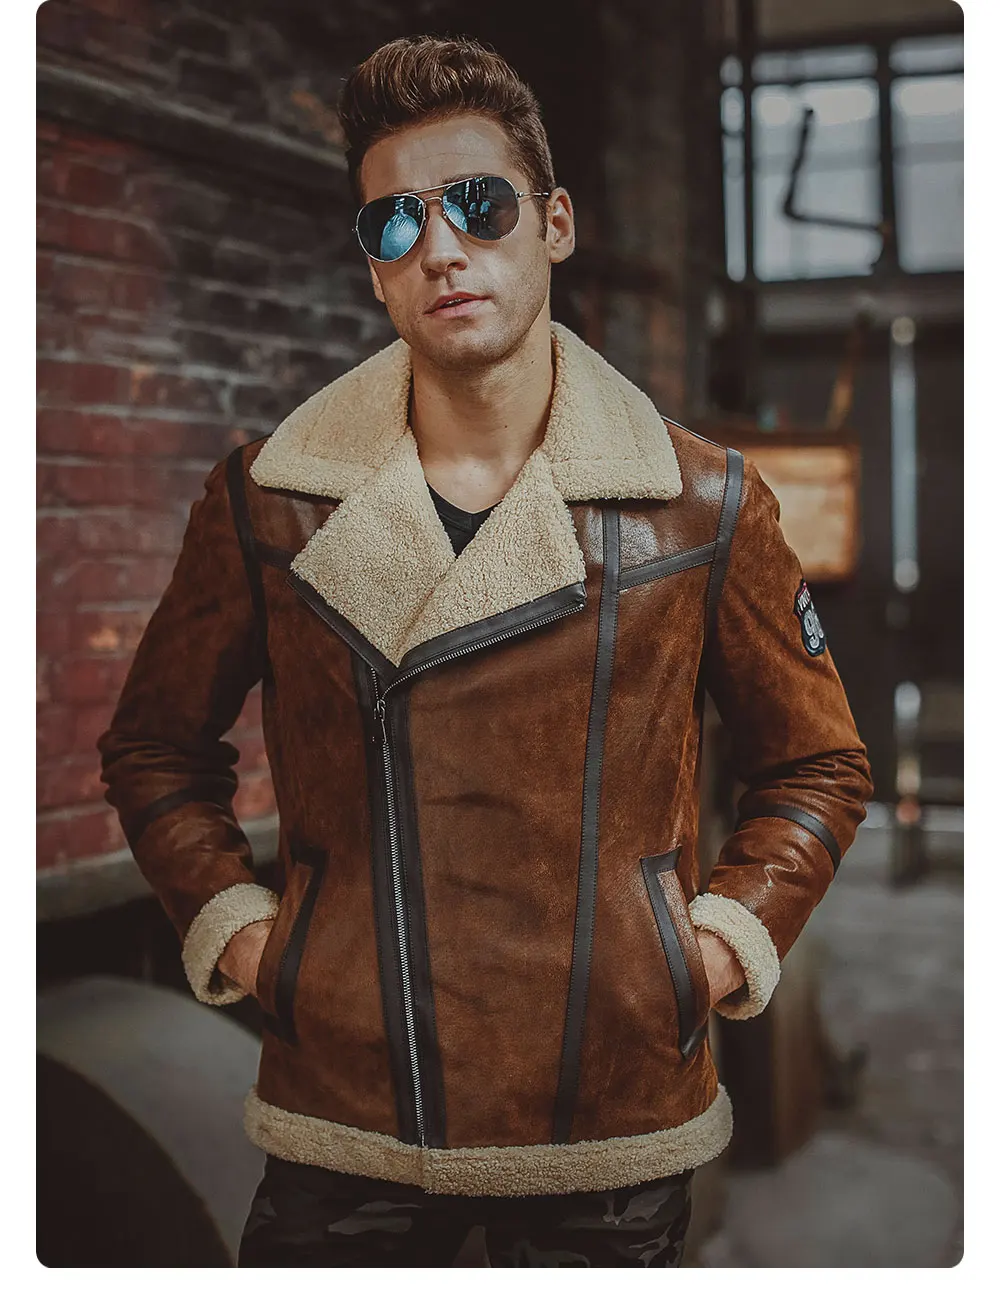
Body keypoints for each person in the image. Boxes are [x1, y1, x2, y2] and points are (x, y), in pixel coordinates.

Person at [97, 33, 874, 1268]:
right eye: (394, 223)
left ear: (553, 224)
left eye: (477, 204)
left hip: (607, 1112)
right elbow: (154, 748)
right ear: (373, 269)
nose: (441, 247)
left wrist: (713, 945)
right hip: (347, 1108)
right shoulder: (271, 500)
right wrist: (247, 933)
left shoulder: (700, 504)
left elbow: (818, 766)